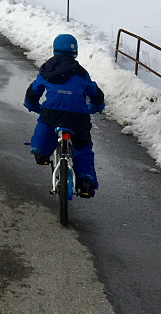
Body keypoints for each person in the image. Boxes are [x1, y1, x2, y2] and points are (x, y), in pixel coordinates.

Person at [23, 33, 104, 198]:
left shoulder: (47, 70)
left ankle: (40, 151)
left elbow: (33, 91)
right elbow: (95, 93)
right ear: (75, 52)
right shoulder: (81, 73)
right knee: (82, 147)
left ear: (55, 50)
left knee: (45, 125)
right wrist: (95, 107)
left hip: (52, 114)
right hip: (78, 118)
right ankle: (86, 181)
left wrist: (32, 105)